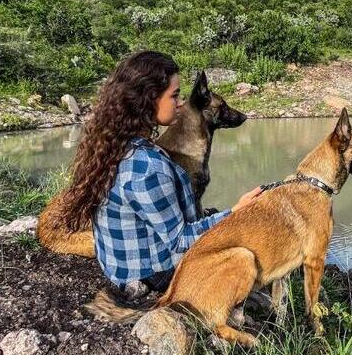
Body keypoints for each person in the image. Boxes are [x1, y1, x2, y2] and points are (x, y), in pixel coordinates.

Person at [60, 51, 261, 294]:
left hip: (119, 266)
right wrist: (236, 212)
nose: (180, 104)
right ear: (148, 99)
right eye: (174, 96)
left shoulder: (115, 143)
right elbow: (180, 241)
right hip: (150, 275)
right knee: (246, 247)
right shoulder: (147, 167)